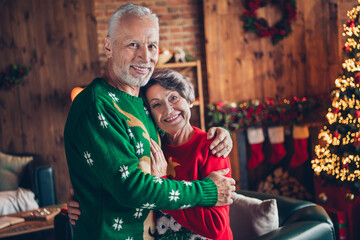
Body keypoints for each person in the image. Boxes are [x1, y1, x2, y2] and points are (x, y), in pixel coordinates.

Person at [64, 3, 235, 240]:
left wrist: (221, 134)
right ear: (108, 46)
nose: (145, 56)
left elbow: (175, 132)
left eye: (151, 45)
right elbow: (132, 188)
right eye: (133, 44)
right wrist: (208, 190)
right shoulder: (96, 105)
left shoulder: (141, 101)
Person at [68, 69, 234, 240]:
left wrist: (163, 187)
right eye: (156, 104)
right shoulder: (154, 148)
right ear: (149, 115)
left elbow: (216, 226)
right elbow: (123, 184)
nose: (168, 110)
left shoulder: (213, 147)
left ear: (189, 100)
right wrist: (84, 202)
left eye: (173, 98)